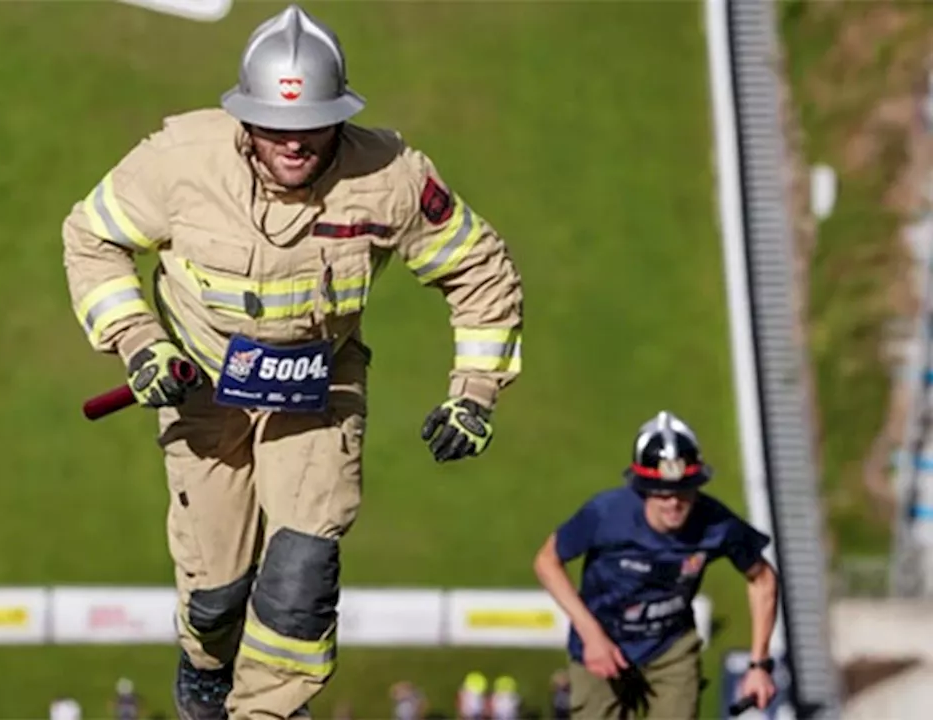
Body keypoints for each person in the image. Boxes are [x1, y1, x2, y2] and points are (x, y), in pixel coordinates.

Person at [61, 4, 524, 719]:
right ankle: (206, 665)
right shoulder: (178, 163)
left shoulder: (392, 176)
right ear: (243, 117)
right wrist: (139, 341)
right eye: (276, 127)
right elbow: (91, 237)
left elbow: (479, 270)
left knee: (302, 573)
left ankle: (269, 710)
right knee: (215, 596)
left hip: (319, 391)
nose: (295, 142)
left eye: (313, 124)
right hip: (203, 394)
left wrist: (476, 392)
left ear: (341, 115)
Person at [531, 411, 780, 719]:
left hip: (670, 646)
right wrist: (591, 634)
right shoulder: (605, 514)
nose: (673, 503)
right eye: (662, 493)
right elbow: (547, 561)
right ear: (642, 488)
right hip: (602, 641)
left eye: (684, 491)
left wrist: (759, 664)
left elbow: (762, 579)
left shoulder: (717, 524)